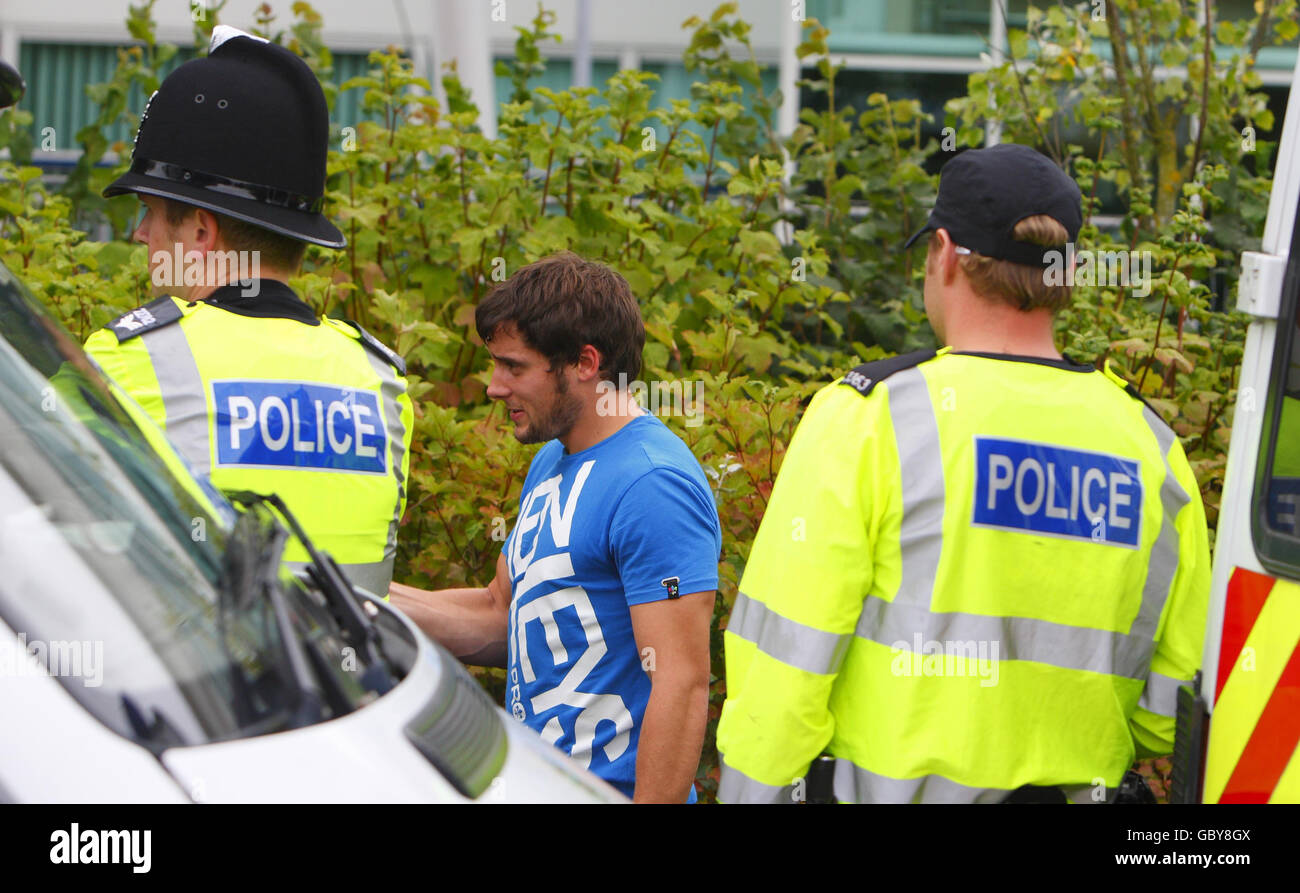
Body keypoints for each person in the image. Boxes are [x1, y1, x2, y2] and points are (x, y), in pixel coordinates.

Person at [715, 143, 1212, 803]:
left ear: (944, 253)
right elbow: (1168, 704)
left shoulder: (870, 418)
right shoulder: (1152, 448)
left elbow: (784, 672)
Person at [83, 26, 413, 595]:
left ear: (202, 230)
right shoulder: (382, 382)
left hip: (199, 685)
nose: (140, 235)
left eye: (150, 211)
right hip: (360, 683)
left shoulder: (129, 361)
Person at [390, 252, 721, 803]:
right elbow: (504, 612)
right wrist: (364, 600)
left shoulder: (652, 484)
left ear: (585, 363)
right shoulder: (554, 458)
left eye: (513, 367)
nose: (494, 387)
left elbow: (681, 683)